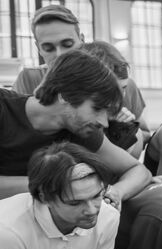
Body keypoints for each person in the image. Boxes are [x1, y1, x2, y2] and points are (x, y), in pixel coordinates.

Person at [0, 50, 152, 205]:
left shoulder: (81, 129)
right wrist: (61, 186)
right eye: (97, 108)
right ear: (65, 95)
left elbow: (139, 171)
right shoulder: (4, 108)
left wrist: (116, 192)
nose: (104, 123)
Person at [12, 4, 149, 137]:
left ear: (82, 40)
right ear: (39, 49)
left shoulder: (121, 84)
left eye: (67, 45)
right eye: (48, 48)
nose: (60, 54)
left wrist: (126, 128)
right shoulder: (29, 78)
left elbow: (145, 134)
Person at [79, 40, 148, 157]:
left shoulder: (130, 87)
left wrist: (128, 127)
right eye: (111, 90)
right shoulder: (74, 106)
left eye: (123, 89)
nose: (120, 98)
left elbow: (146, 134)